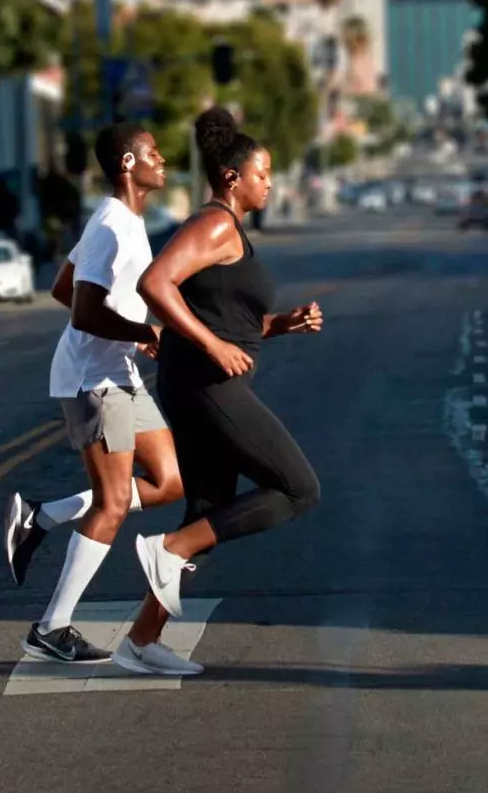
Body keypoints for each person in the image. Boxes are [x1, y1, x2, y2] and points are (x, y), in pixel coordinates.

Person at [5, 124, 201, 675]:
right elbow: (82, 310)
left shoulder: (125, 223)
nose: (162, 159)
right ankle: (51, 627)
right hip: (94, 380)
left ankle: (42, 516)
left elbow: (62, 288)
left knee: (171, 481)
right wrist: (142, 331)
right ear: (127, 163)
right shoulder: (112, 226)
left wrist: (129, 336)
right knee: (113, 504)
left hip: (119, 374)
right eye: (152, 153)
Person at [133, 107, 324, 620]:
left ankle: (142, 641)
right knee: (298, 488)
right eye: (263, 174)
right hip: (205, 384)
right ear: (233, 177)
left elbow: (226, 317)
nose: (270, 183)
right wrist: (212, 347)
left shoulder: (229, 228)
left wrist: (282, 324)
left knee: (207, 513)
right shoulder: (216, 224)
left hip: (198, 381)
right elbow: (154, 283)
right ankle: (168, 549)